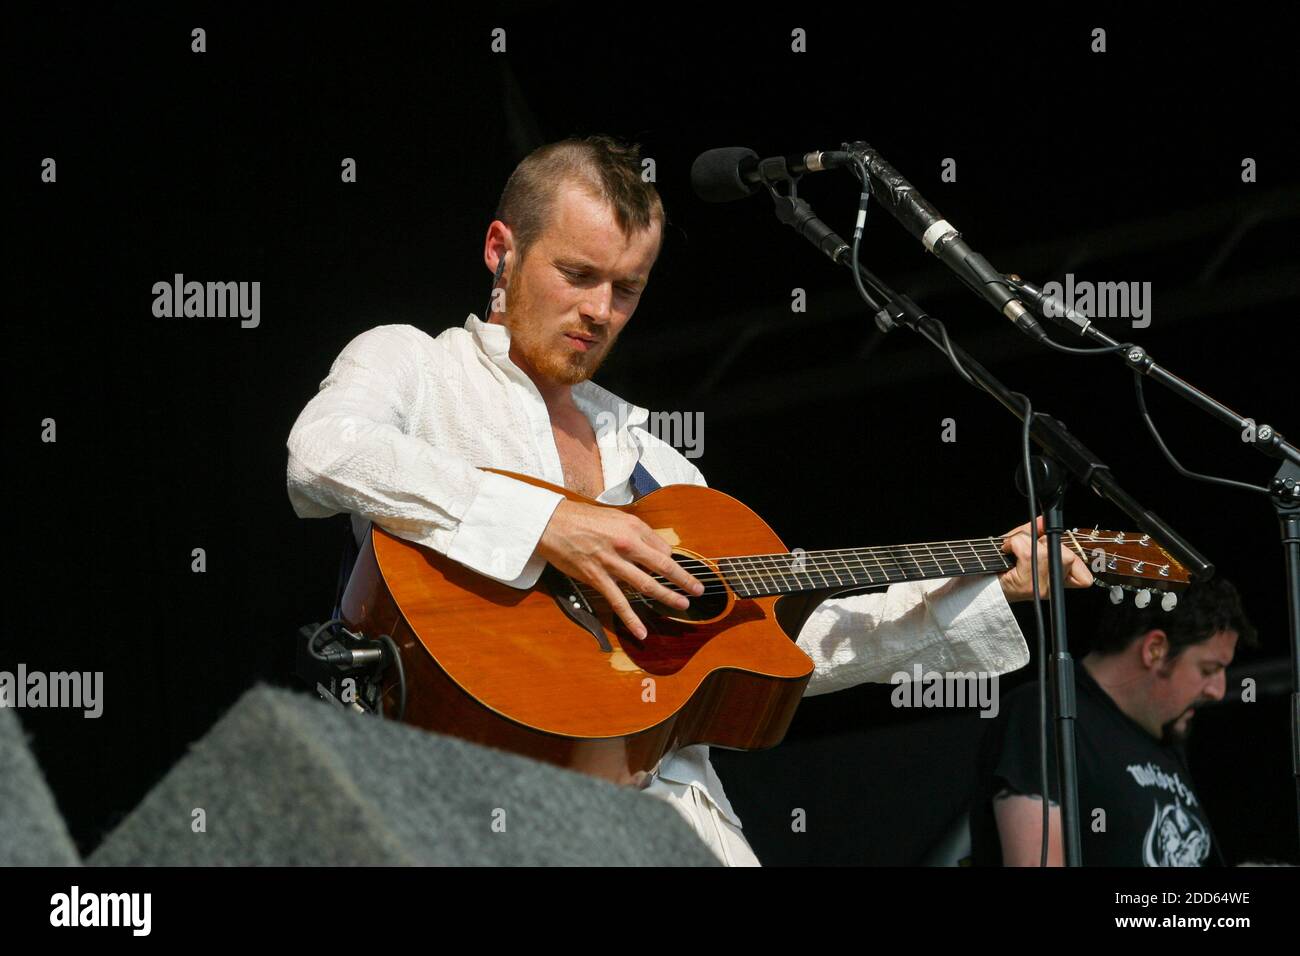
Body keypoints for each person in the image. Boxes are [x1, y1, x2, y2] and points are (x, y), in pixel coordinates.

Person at [286, 133, 1094, 865]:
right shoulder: (416, 367)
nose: (600, 311)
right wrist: (551, 525)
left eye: (627, 289)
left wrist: (994, 581)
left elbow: (784, 655)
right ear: (502, 248)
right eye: (577, 274)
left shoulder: (660, 467)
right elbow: (322, 455)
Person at [970, 577, 1258, 866]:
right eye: (1209, 669)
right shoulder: (1044, 713)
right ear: (1154, 649)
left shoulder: (1161, 736)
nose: (1217, 691)